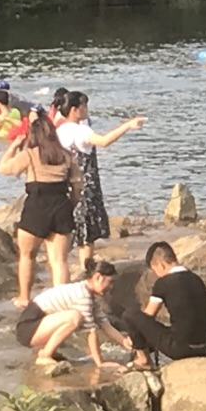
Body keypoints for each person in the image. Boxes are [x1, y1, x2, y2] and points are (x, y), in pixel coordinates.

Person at [56, 91, 146, 276]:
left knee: (69, 229)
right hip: (85, 185)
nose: (86, 109)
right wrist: (127, 126)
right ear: (75, 110)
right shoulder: (80, 131)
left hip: (65, 184)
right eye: (84, 106)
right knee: (87, 233)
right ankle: (85, 271)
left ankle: (64, 268)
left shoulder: (59, 131)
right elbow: (104, 141)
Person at [0, 114, 82, 308]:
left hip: (36, 206)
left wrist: (13, 146)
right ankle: (61, 302)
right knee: (59, 260)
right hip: (61, 205)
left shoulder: (30, 155)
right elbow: (78, 187)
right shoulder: (67, 156)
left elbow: (3, 168)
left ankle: (24, 298)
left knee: (27, 256)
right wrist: (71, 205)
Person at [14, 258, 129, 370]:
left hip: (38, 324)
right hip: (29, 327)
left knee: (75, 317)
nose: (111, 287)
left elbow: (105, 324)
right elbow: (91, 332)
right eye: (110, 282)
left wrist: (126, 343)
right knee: (75, 317)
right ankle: (45, 355)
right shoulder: (82, 294)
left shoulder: (89, 295)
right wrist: (99, 363)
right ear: (98, 277)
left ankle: (47, 351)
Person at [120, 241, 206, 370]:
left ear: (161, 264)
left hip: (180, 348)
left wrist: (134, 339)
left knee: (130, 315)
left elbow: (148, 315)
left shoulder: (164, 282)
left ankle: (143, 359)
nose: (157, 275)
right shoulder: (196, 279)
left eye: (155, 271)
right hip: (204, 346)